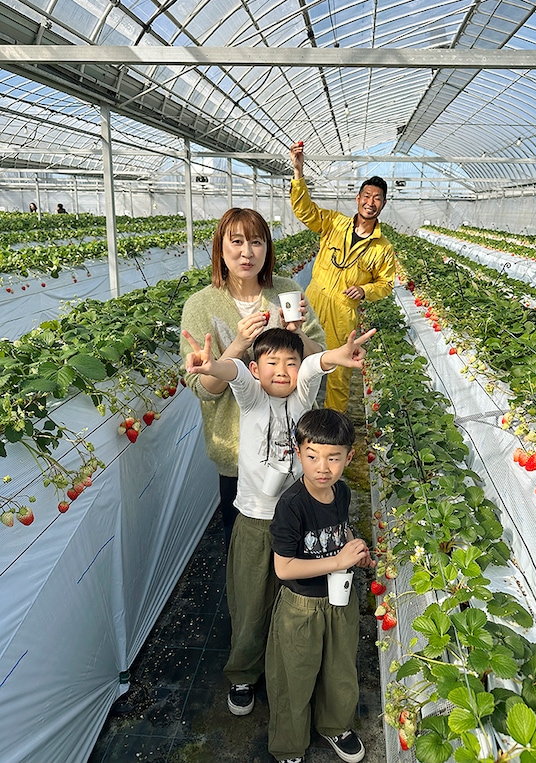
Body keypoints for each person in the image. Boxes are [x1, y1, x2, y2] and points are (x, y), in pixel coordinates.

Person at [182, 325, 375, 721]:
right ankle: (242, 674)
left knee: (292, 602)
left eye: (290, 362)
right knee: (251, 600)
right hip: (256, 518)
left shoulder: (303, 394)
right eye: (272, 363)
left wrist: (336, 355)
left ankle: (282, 671)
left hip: (301, 519)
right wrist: (213, 366)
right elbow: (233, 373)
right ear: (258, 369)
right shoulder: (252, 398)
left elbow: (314, 365)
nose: (283, 371)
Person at [180, 207, 326, 549]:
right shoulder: (200, 306)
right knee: (247, 547)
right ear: (220, 249)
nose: (247, 252)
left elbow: (318, 356)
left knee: (300, 541)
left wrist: (297, 334)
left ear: (267, 249)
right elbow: (205, 390)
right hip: (236, 451)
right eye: (237, 242)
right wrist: (238, 345)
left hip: (294, 446)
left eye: (257, 242)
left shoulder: (286, 292)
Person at [266, 408, 374, 763]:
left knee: (340, 668)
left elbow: (341, 531)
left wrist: (354, 549)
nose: (322, 467)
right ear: (298, 454)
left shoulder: (340, 493)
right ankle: (289, 745)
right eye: (312, 456)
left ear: (349, 457)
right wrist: (338, 562)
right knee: (293, 677)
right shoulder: (291, 506)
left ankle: (335, 726)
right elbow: (283, 568)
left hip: (339, 598)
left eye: (333, 458)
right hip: (301, 607)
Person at [288, 141, 396, 413]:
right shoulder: (334, 223)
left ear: (382, 205)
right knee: (296, 357)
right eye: (367, 196)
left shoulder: (382, 247)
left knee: (339, 370)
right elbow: (305, 211)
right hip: (313, 301)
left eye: (377, 198)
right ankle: (292, 413)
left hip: (343, 311)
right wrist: (298, 173)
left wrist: (365, 290)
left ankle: (331, 424)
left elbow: (386, 284)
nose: (371, 203)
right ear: (358, 199)